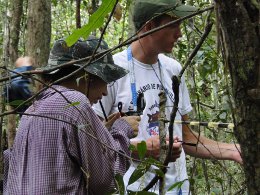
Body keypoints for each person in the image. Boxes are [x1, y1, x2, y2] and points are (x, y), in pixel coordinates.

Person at [93, 0, 243, 194]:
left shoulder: (173, 70)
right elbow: (94, 141)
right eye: (173, 25)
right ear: (149, 27)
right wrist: (139, 148)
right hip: (132, 189)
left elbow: (187, 136)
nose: (179, 33)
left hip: (177, 188)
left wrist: (234, 150)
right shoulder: (113, 70)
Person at [4, 36, 140, 194]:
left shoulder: (32, 110)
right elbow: (106, 180)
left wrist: (103, 132)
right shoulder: (75, 102)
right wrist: (122, 129)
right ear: (87, 76)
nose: (105, 92)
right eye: (105, 80)